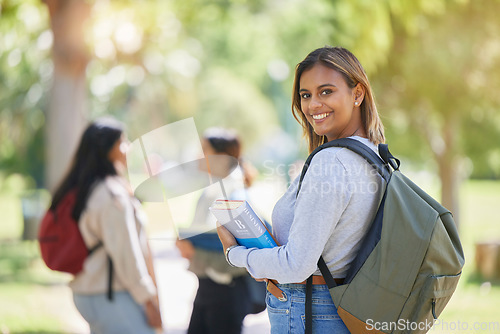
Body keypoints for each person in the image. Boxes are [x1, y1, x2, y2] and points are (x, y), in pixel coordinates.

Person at [217, 46, 386, 333]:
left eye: (326, 91)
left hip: (310, 313)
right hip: (348, 309)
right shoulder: (375, 154)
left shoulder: (330, 162)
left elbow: (297, 265)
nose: (312, 105)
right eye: (305, 95)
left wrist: (235, 253)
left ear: (358, 93)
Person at [49, 118, 162, 334]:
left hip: (92, 292)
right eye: (123, 141)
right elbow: (125, 253)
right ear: (109, 149)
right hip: (110, 295)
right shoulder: (111, 195)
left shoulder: (89, 187)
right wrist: (148, 299)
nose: (128, 147)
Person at [175, 128, 261, 334]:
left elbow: (242, 248)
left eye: (204, 149)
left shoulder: (235, 194)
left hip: (227, 290)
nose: (199, 156)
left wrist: (194, 249)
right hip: (209, 286)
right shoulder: (214, 189)